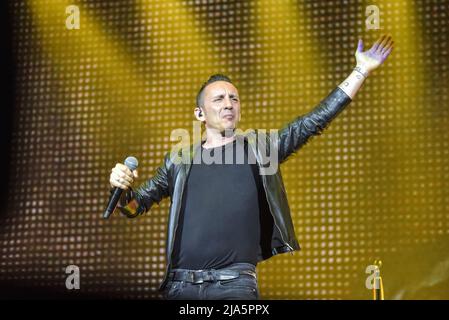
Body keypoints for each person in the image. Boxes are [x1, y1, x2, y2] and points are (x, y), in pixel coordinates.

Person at [108, 35, 394, 300]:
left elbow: (312, 122)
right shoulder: (178, 160)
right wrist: (121, 189)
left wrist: (360, 71)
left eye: (234, 98)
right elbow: (135, 205)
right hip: (180, 287)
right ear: (199, 113)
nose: (229, 103)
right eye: (218, 99)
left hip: (234, 286)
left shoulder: (259, 148)